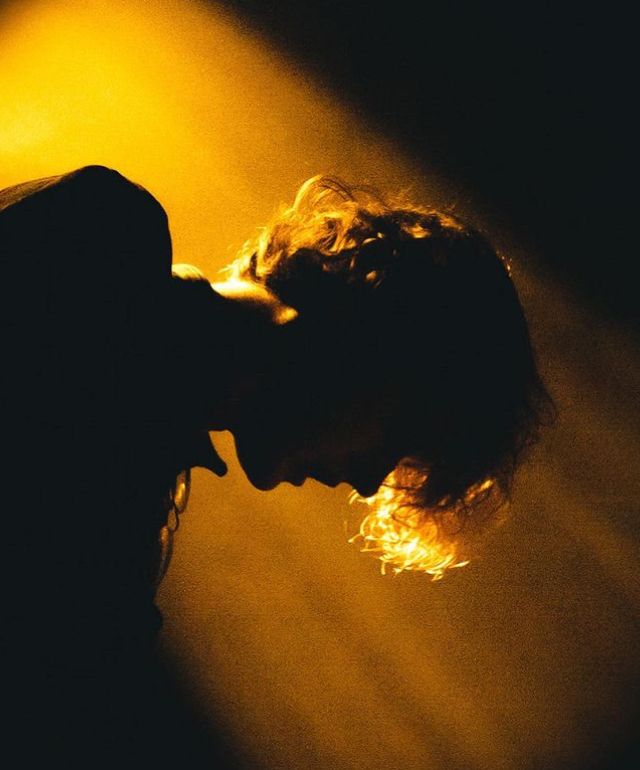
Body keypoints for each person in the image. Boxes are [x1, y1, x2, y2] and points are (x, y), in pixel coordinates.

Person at [1, 165, 555, 763]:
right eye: (399, 437)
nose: (368, 481)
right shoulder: (101, 233)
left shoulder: (147, 490)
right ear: (378, 342)